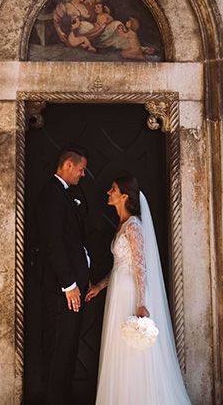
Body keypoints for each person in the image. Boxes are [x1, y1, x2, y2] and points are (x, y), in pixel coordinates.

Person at [85, 174, 191, 404]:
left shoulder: (133, 226)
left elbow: (141, 265)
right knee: (119, 346)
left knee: (133, 348)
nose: (108, 192)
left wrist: (142, 301)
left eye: (113, 189)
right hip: (117, 291)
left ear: (124, 196)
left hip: (131, 293)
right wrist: (100, 287)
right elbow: (120, 266)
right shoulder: (121, 225)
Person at [37, 148, 90, 405]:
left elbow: (71, 241)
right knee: (59, 350)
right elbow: (53, 243)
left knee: (67, 349)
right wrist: (69, 284)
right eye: (81, 169)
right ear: (68, 165)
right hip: (62, 291)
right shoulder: (52, 195)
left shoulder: (65, 194)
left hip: (72, 288)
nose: (83, 174)